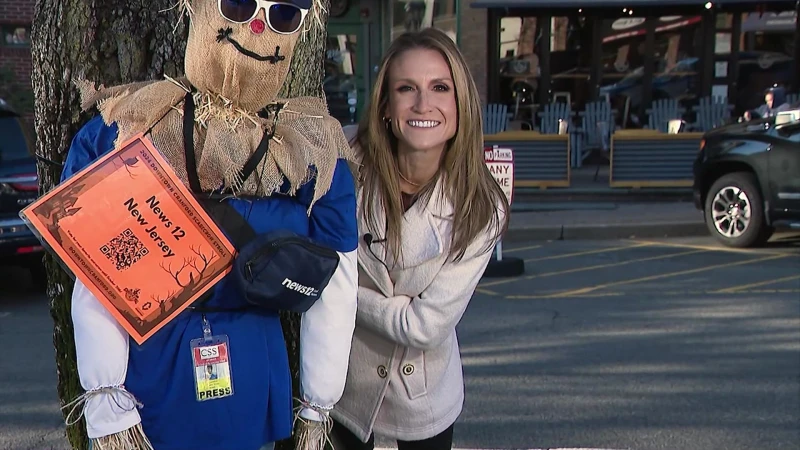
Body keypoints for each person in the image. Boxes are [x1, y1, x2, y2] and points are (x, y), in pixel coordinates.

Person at [60, 1, 358, 449]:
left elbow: (336, 279)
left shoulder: (306, 149)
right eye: (237, 5)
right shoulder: (131, 124)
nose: (258, 25)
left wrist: (320, 401)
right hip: (150, 366)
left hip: (252, 365)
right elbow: (96, 264)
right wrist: (107, 405)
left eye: (282, 14)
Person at [330, 28, 510, 449]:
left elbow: (424, 326)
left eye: (440, 88)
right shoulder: (342, 156)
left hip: (421, 403)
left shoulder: (482, 206)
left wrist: (339, 291)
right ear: (387, 106)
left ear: (460, 103)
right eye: (407, 88)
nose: (423, 104)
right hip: (339, 387)